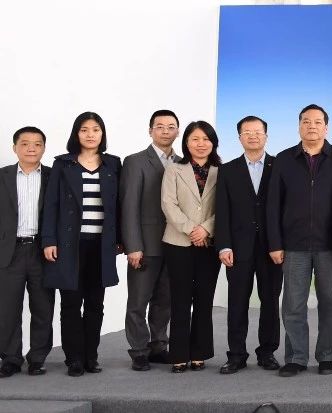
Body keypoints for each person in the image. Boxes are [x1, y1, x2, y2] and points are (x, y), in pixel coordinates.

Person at [267, 104, 332, 377]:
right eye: (306, 121)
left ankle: (327, 356)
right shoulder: (284, 159)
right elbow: (273, 204)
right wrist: (275, 243)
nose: (311, 126)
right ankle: (296, 357)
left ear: (326, 127)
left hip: (330, 244)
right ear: (299, 126)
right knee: (293, 305)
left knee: (330, 303)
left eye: (317, 122)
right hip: (294, 245)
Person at [41, 111, 123, 376]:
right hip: (70, 245)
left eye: (96, 129)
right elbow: (51, 205)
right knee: (71, 303)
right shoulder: (63, 164)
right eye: (84, 130)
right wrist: (49, 240)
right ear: (76, 134)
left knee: (96, 304)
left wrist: (121, 239)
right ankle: (74, 359)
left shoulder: (113, 164)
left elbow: (119, 206)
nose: (90, 135)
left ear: (102, 134)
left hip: (101, 245)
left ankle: (91, 357)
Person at [215, 116, 282, 374]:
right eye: (247, 132)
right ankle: (236, 355)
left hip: (271, 247)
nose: (253, 136)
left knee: (270, 301)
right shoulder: (228, 170)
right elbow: (222, 210)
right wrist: (224, 245)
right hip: (238, 247)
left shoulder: (279, 166)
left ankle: (267, 353)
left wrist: (281, 243)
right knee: (237, 302)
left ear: (266, 135)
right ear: (239, 137)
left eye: (257, 132)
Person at [160, 121, 222, 373]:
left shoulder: (223, 171)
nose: (201, 144)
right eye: (195, 139)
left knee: (204, 300)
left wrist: (205, 229)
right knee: (180, 299)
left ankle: (199, 352)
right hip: (178, 242)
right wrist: (191, 229)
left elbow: (226, 207)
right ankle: (178, 354)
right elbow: (168, 204)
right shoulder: (174, 169)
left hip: (209, 243)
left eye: (206, 139)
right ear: (186, 142)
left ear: (213, 143)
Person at [120, 109, 179, 371]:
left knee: (164, 301)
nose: (165, 131)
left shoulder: (183, 162)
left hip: (175, 244)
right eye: (160, 126)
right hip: (145, 245)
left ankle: (158, 346)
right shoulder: (135, 162)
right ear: (150, 131)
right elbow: (129, 206)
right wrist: (133, 246)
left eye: (171, 127)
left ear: (177, 131)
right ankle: (139, 351)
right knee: (138, 302)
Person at [0, 126, 54, 378]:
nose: (31, 148)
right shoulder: (2, 176)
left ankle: (37, 358)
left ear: (44, 148)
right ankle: (10, 358)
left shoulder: (54, 176)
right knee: (7, 308)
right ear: (15, 148)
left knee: (43, 307)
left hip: (43, 251)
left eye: (37, 144)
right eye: (25, 143)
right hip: (9, 251)